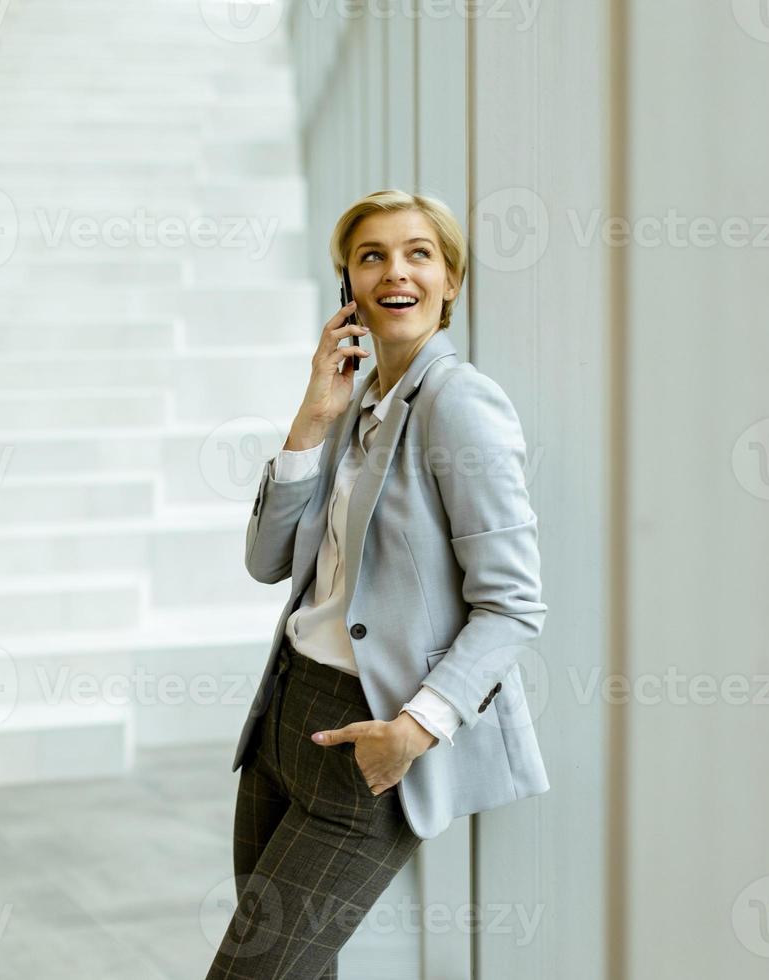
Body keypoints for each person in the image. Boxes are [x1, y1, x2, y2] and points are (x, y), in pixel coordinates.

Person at [205, 189, 550, 979]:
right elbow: (267, 561)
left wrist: (416, 729)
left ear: (451, 279)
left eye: (418, 253)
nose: (396, 271)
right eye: (372, 257)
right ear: (348, 287)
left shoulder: (459, 405)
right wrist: (309, 423)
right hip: (284, 721)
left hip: (370, 737)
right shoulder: (360, 403)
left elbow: (513, 603)